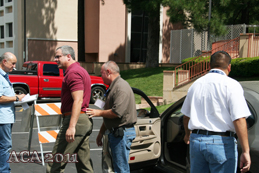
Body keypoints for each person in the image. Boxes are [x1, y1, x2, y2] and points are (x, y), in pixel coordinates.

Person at [181, 51, 251, 173]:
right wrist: (245, 151)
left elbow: (186, 116)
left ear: (209, 66)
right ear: (229, 67)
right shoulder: (232, 85)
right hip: (221, 143)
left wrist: (187, 134)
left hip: (197, 142)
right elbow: (239, 119)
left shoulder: (196, 84)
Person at [46, 45, 93, 173]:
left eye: (58, 56)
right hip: (82, 119)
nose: (55, 59)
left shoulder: (73, 73)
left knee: (55, 162)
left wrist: (71, 126)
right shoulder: (80, 70)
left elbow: (78, 100)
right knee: (84, 164)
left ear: (68, 56)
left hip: (76, 120)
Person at [86, 61, 137, 173]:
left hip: (121, 134)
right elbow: (109, 114)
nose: (101, 76)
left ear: (108, 72)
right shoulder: (113, 87)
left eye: (101, 73)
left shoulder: (120, 87)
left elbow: (116, 113)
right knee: (116, 167)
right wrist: (101, 132)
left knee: (121, 169)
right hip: (116, 133)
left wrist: (98, 113)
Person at [0, 52, 25, 172]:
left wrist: (15, 96)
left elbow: (5, 94)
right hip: (2, 119)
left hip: (6, 117)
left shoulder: (5, 75)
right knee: (5, 146)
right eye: (13, 63)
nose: (14, 66)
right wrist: (16, 98)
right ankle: (4, 170)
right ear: (4, 62)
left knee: (4, 146)